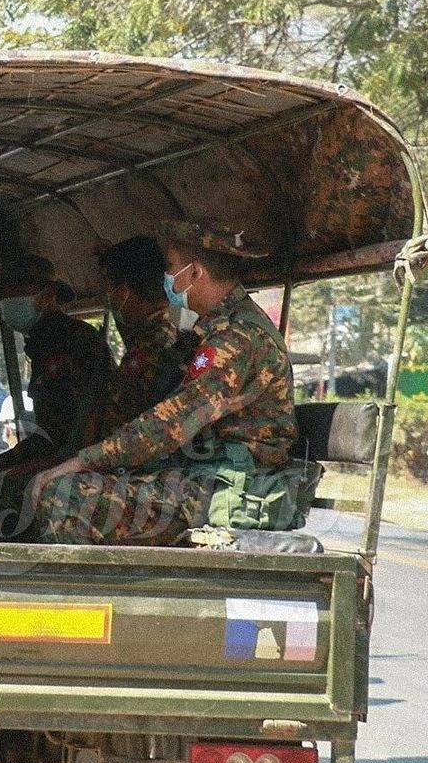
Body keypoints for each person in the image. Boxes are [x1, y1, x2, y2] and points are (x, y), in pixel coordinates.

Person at [31, 220, 299, 546]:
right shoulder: (222, 330)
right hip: (205, 474)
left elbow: (172, 421)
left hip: (232, 489)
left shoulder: (235, 339)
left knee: (64, 494)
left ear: (195, 273)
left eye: (171, 268)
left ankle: (85, 594)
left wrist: (82, 460)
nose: (166, 279)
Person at [0, 263, 112, 463]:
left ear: (48, 295)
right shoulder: (42, 344)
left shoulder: (74, 341)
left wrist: (11, 464)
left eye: (18, 293)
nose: (9, 301)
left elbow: (78, 427)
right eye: (4, 296)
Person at [96, 235, 183, 435]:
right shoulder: (171, 326)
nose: (108, 298)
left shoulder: (152, 343)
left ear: (123, 292)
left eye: (109, 288)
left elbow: (116, 422)